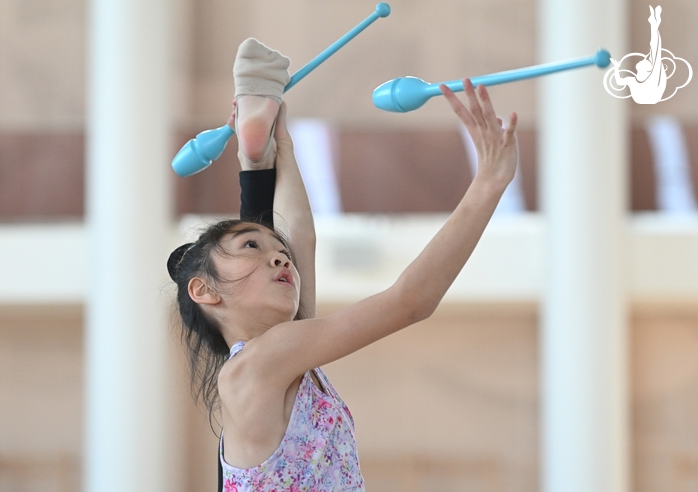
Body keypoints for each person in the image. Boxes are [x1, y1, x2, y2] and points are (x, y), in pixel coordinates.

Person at [167, 39, 519, 491]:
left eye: (275, 250)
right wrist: (487, 184)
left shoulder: (283, 360)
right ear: (204, 290)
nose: (279, 256)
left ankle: (255, 158)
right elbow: (410, 301)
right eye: (250, 247)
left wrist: (283, 146)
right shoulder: (261, 363)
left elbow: (299, 236)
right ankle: (253, 158)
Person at [610, 5, 667, 104]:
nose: (643, 59)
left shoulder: (650, 80)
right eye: (647, 61)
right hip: (647, 97)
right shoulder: (635, 80)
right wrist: (654, 25)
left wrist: (616, 67)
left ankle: (654, 23)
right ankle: (654, 23)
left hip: (649, 98)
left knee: (655, 50)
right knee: (654, 50)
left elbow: (655, 49)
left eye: (646, 62)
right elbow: (655, 50)